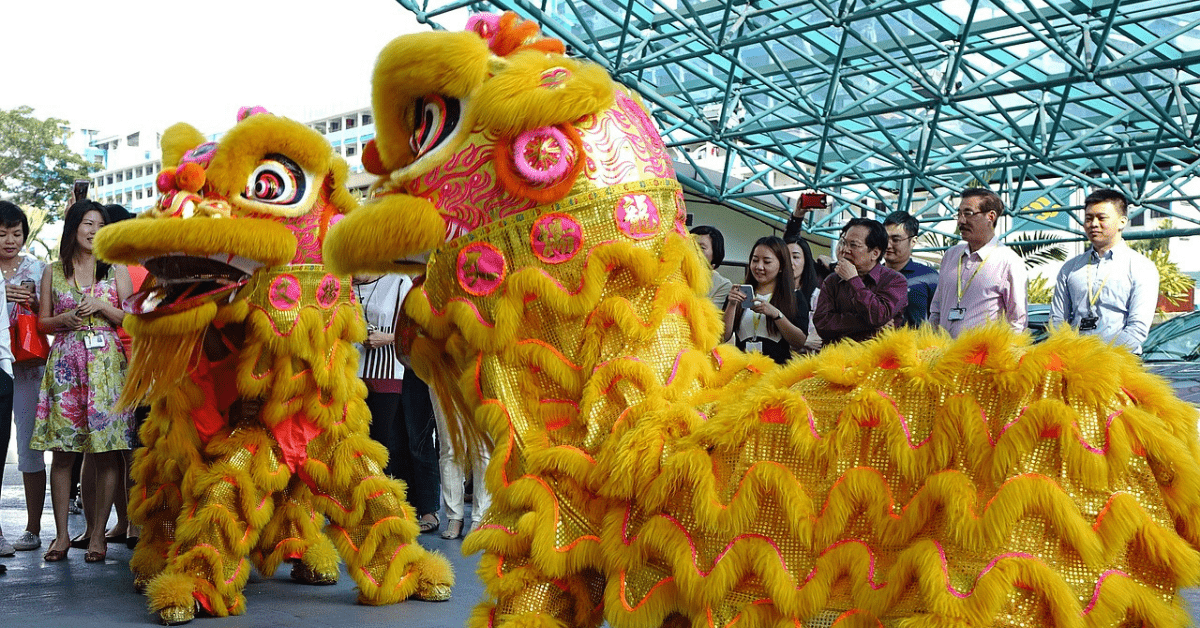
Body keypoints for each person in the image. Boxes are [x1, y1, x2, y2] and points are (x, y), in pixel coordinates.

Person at [32, 200, 134, 563]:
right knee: (63, 454)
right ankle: (60, 536)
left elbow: (129, 319)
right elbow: (42, 323)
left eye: (100, 225)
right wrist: (63, 319)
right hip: (65, 366)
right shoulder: (52, 271)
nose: (93, 230)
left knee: (107, 453)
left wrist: (101, 307)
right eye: (87, 223)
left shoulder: (117, 268)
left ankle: (97, 537)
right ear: (74, 226)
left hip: (107, 367)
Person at [1051, 188, 1159, 353]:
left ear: (1122, 222)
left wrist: (1099, 356)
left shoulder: (1141, 267)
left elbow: (1137, 329)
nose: (1093, 224)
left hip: (1121, 363)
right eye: (1088, 218)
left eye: (1101, 218)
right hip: (1075, 362)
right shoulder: (1070, 268)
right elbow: (1058, 320)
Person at [0, 201, 48, 554]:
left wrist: (32, 304)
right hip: (1, 361)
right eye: (2, 234)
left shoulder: (38, 267)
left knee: (30, 443)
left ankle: (33, 528)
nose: (9, 241)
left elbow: (49, 313)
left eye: (16, 233)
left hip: (29, 364)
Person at [929, 188, 1027, 337]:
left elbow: (1017, 322)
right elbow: (936, 310)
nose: (961, 221)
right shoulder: (950, 256)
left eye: (968, 213)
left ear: (991, 216)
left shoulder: (1008, 261)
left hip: (983, 357)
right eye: (959, 214)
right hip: (944, 355)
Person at [813, 218, 908, 343]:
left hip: (877, 357)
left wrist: (853, 280)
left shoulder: (895, 280)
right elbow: (822, 324)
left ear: (875, 253)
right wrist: (870, 326)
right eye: (843, 243)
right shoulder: (832, 280)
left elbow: (878, 315)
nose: (845, 250)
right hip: (837, 358)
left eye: (854, 245)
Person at [722, 236, 807, 364]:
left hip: (776, 374)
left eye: (767, 262)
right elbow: (721, 337)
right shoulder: (739, 294)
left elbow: (799, 341)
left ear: (781, 266)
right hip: (743, 370)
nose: (759, 267)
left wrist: (777, 315)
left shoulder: (795, 297)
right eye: (755, 260)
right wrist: (732, 305)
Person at [882, 210, 938, 326]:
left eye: (896, 240)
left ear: (913, 241)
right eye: (884, 238)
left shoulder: (929, 277)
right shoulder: (870, 276)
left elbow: (940, 319)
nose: (888, 245)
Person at [689, 225, 733, 310]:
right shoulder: (674, 274)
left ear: (715, 254)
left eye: (702, 248)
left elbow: (708, 317)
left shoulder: (722, 285)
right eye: (691, 245)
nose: (695, 250)